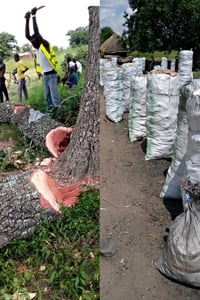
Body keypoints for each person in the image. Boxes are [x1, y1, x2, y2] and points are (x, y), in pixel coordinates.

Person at [24, 7, 61, 113]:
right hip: (46, 76)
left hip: (52, 75)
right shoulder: (37, 49)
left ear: (38, 39)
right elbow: (27, 35)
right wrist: (27, 19)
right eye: (31, 41)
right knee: (47, 97)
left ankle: (60, 116)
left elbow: (36, 32)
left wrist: (34, 16)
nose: (31, 41)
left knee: (55, 98)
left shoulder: (45, 45)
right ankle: (50, 114)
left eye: (33, 40)